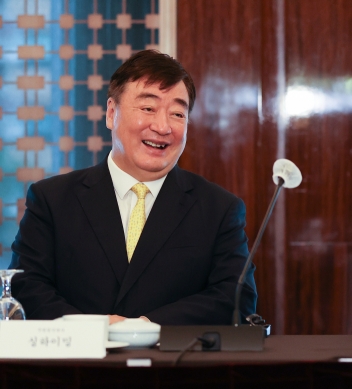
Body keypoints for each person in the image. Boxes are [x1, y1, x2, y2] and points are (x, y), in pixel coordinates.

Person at [9, 50, 257, 325]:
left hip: (175, 365)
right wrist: (95, 329)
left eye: (177, 113)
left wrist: (144, 327)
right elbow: (25, 287)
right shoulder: (52, 200)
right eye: (148, 108)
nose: (162, 126)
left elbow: (236, 297)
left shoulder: (219, 209)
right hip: (77, 364)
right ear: (111, 113)